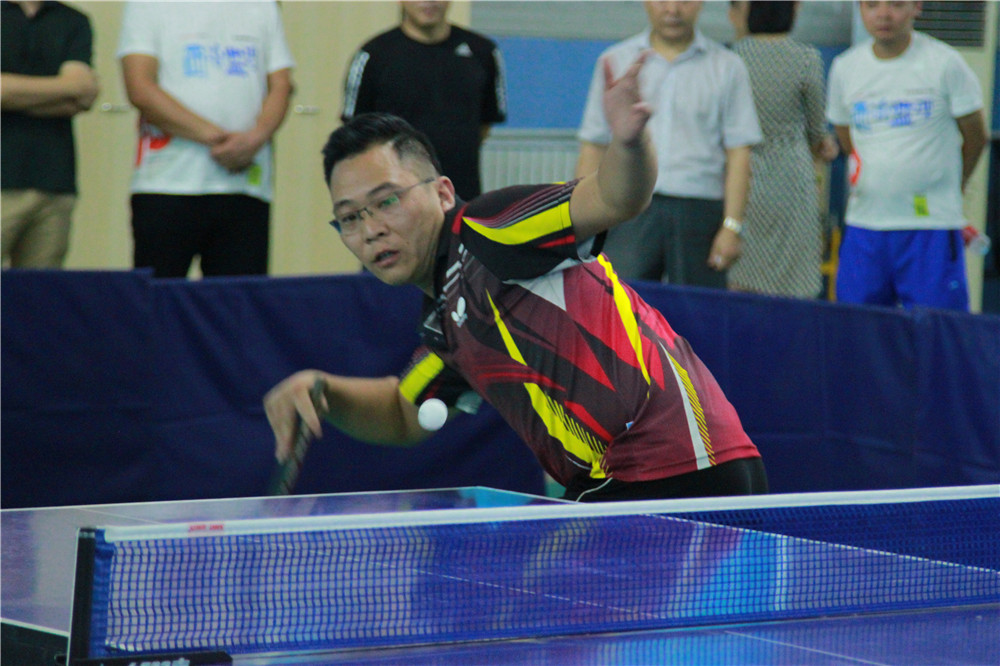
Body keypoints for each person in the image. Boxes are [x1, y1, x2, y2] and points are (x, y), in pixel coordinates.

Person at [264, 55, 767, 503]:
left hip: (677, 463)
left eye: (387, 201)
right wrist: (324, 390)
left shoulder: (492, 228)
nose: (371, 228)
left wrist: (630, 142)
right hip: (617, 481)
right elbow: (403, 412)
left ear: (442, 193)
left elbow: (615, 198)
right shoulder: (445, 320)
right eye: (350, 218)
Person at [576, 0, 761, 289]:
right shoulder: (615, 61)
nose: (673, 9)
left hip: (700, 212)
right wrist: (581, 221)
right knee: (620, 305)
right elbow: (594, 145)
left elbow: (739, 152)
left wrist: (732, 226)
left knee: (699, 310)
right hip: (628, 209)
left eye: (684, 0)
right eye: (662, 0)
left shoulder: (728, 67)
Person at [826, 0, 988, 310]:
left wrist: (954, 184)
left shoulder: (945, 63)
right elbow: (846, 138)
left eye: (897, 4)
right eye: (872, 5)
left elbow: (976, 137)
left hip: (930, 227)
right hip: (865, 226)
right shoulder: (845, 68)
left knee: (937, 329)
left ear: (917, 6)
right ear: (860, 8)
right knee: (858, 328)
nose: (883, 14)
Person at [117, 0, 295, 278]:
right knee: (161, 296)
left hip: (245, 185)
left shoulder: (262, 5)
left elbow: (281, 84)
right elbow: (140, 88)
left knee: (238, 299)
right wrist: (216, 139)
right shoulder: (148, 4)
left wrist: (254, 138)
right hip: (167, 182)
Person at [726, 1, 839, 298]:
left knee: (741, 277)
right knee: (793, 281)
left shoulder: (733, 56)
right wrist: (825, 145)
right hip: (791, 180)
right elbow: (817, 130)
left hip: (742, 177)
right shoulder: (806, 58)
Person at [342, 0, 506, 201]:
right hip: (394, 194)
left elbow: (485, 123)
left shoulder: (483, 52)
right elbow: (356, 129)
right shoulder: (373, 55)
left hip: (461, 193)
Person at [1, 1, 98, 269]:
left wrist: (12, 94)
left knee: (41, 289)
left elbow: (82, 91)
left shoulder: (73, 20)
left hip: (54, 182)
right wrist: (62, 90)